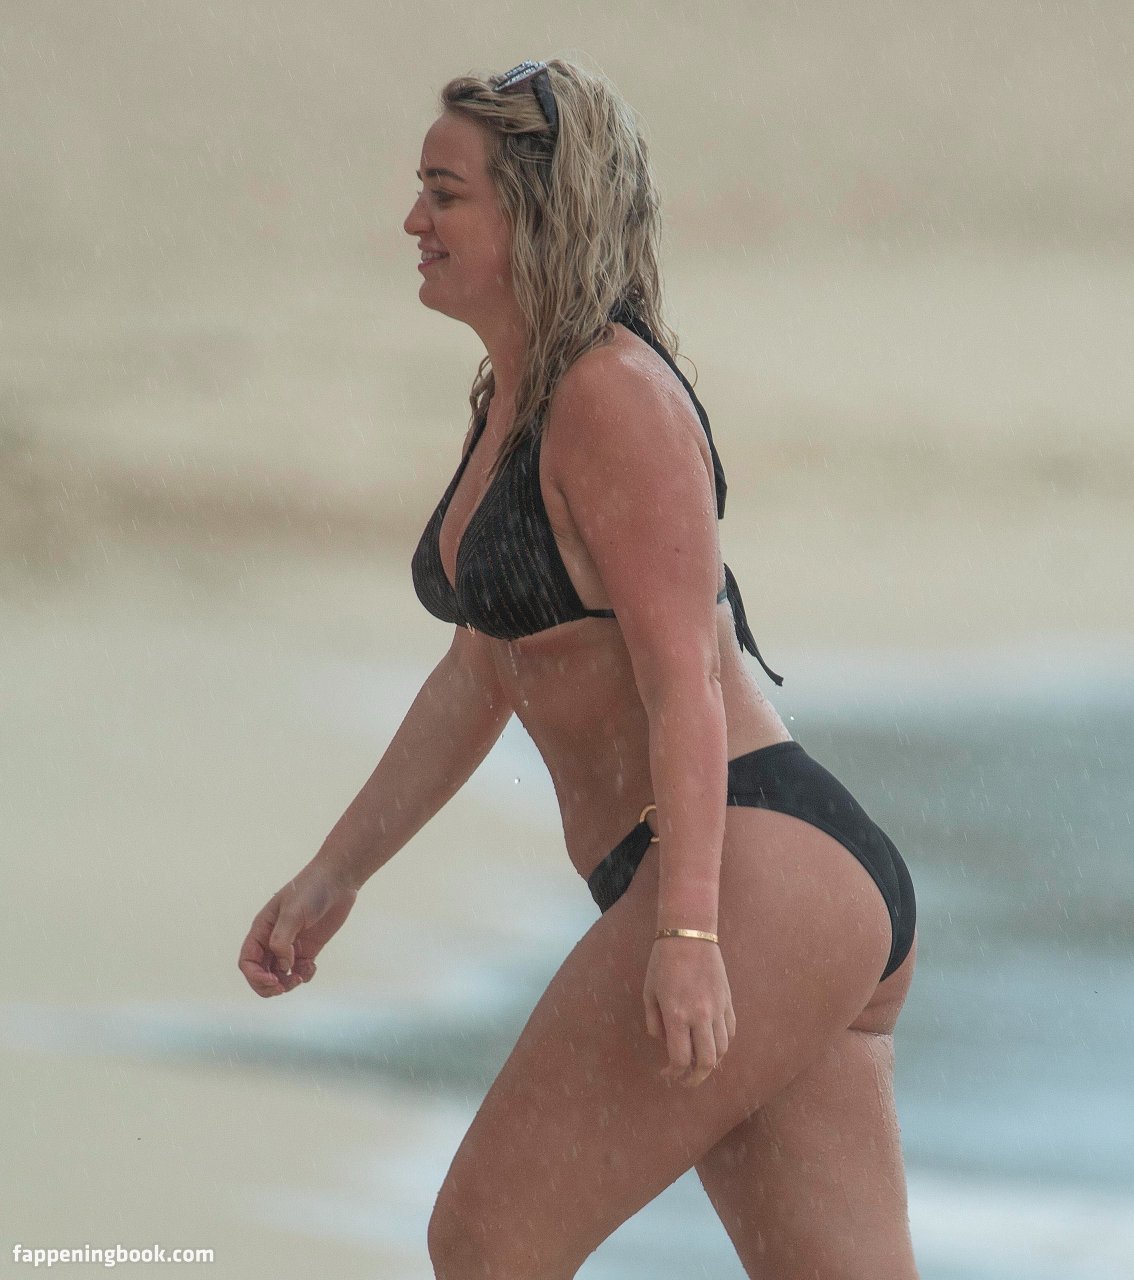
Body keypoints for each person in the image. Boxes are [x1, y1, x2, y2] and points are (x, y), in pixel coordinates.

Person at [238, 58, 920, 1280]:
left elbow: (683, 681)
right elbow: (482, 671)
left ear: (536, 214)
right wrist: (336, 872)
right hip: (751, 883)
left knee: (485, 1238)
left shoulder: (613, 396)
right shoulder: (518, 395)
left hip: (749, 867)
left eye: (446, 193)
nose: (413, 220)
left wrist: (691, 928)